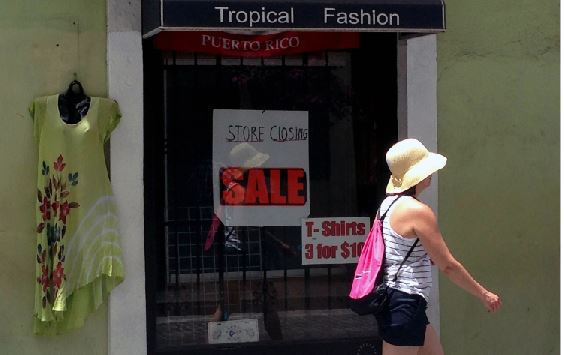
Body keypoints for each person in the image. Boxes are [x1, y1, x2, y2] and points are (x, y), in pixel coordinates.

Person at [375, 138, 501, 355]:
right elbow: (448, 266)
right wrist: (484, 294)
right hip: (405, 302)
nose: (431, 173)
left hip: (402, 301)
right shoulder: (417, 211)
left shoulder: (387, 205)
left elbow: (398, 249)